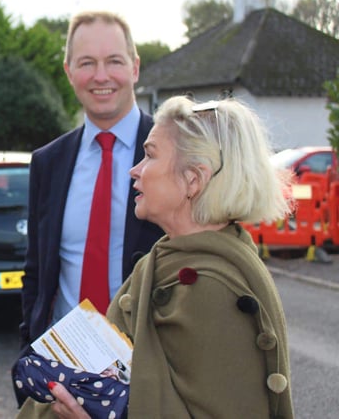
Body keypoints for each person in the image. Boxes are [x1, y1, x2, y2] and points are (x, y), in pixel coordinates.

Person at [48, 95, 294, 418]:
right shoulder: (164, 259)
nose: (135, 170)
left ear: (193, 179)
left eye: (149, 156)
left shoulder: (214, 290)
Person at [18, 11, 164, 377]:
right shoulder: (47, 163)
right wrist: (27, 348)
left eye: (113, 61)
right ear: (69, 72)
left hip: (150, 370)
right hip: (65, 370)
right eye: (87, 63)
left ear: (135, 67)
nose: (101, 76)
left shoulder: (173, 155)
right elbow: (36, 271)